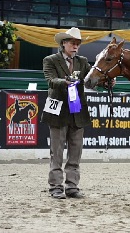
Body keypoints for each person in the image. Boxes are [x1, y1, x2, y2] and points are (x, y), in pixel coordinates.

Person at [41, 27, 93, 199]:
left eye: (78, 43)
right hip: (58, 109)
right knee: (56, 151)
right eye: (72, 43)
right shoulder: (50, 60)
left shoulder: (83, 61)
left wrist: (107, 82)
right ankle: (55, 186)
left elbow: (90, 81)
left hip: (76, 108)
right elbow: (50, 81)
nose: (75, 46)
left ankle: (72, 186)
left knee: (75, 150)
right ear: (64, 44)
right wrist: (66, 82)